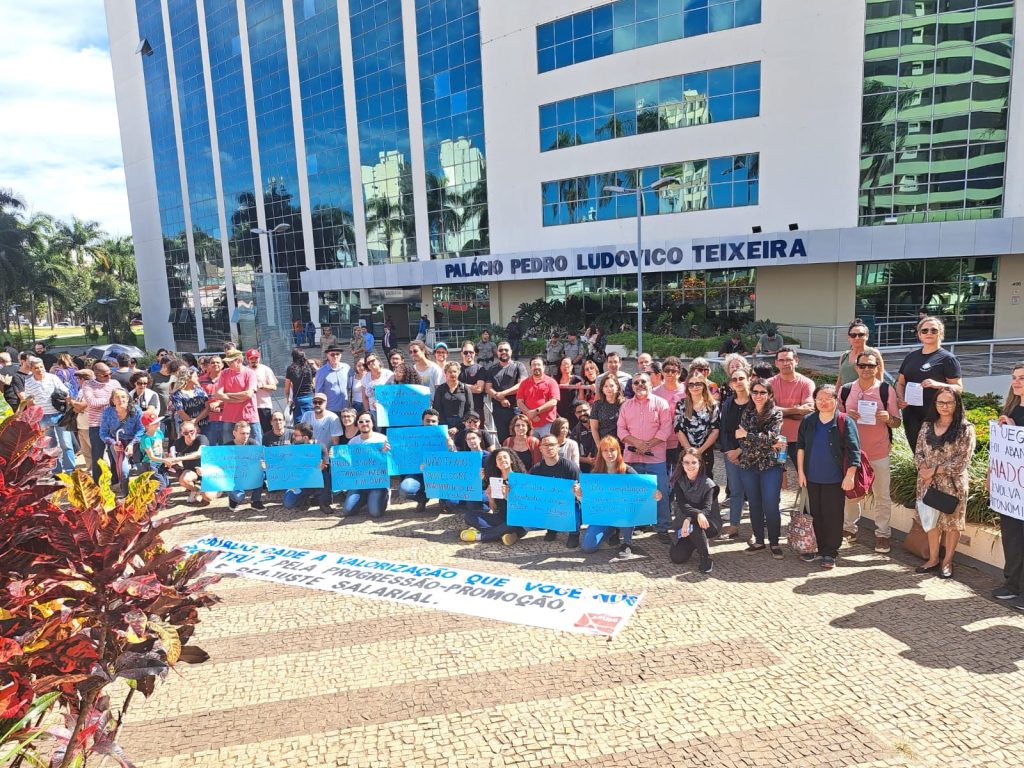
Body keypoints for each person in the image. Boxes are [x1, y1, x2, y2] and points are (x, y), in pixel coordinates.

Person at [838, 350, 901, 553]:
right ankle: (849, 529)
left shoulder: (886, 390)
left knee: (882, 495)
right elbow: (835, 418)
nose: (866, 369)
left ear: (877, 368)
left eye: (871, 366)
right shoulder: (846, 390)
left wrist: (887, 419)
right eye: (863, 365)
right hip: (854, 452)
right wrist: (847, 415)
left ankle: (882, 535)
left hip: (879, 451)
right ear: (856, 368)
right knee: (851, 493)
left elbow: (897, 422)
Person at [796, 384, 862, 569]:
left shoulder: (844, 421)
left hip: (835, 479)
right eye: (819, 399)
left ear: (836, 400)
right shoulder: (808, 420)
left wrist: (849, 476)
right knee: (812, 514)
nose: (823, 402)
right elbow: (800, 447)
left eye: (828, 398)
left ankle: (830, 552)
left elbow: (854, 451)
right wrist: (800, 472)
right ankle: (813, 546)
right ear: (814, 401)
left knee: (832, 516)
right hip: (811, 477)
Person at [913, 390, 975, 580]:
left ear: (957, 404)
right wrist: (923, 469)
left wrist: (934, 470)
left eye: (949, 402)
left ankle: (947, 561)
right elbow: (918, 451)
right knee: (932, 522)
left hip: (952, 484)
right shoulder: (927, 425)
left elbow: (962, 461)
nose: (944, 406)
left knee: (952, 524)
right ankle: (932, 559)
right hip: (927, 482)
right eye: (941, 402)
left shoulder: (966, 429)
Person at [580, 436, 660, 558]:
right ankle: (611, 530)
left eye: (612, 450)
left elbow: (644, 488)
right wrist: (579, 494)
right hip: (603, 515)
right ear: (601, 453)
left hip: (623, 512)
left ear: (618, 451)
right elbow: (589, 499)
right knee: (588, 547)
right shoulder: (595, 473)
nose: (609, 454)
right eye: (605, 451)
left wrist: (655, 494)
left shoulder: (627, 470)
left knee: (628, 508)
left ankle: (627, 543)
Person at [618, 372, 673, 541]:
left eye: (643, 382)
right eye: (636, 383)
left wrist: (648, 445)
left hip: (655, 457)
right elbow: (621, 430)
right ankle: (639, 524)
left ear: (650, 384)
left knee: (660, 492)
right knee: (635, 493)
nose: (640, 385)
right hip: (632, 458)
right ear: (632, 386)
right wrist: (637, 443)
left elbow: (666, 429)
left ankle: (662, 528)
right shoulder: (626, 406)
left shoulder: (661, 404)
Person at [896, 316, 962, 455]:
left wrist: (938, 385)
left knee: (935, 454)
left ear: (941, 334)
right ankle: (921, 476)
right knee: (917, 454)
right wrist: (900, 399)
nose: (929, 333)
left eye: (934, 330)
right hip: (911, 414)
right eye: (925, 331)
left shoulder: (948, 359)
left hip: (935, 415)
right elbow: (900, 383)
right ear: (919, 335)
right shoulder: (911, 357)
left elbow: (958, 388)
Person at [736, 378, 786, 559]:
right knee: (755, 504)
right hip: (748, 465)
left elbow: (774, 438)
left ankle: (774, 542)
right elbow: (740, 440)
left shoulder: (776, 413)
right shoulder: (747, 412)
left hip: (770, 466)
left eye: (762, 392)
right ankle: (758, 540)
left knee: (771, 504)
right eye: (755, 392)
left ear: (770, 394)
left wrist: (750, 436)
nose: (758, 395)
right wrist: (765, 440)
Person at [992, 363, 1024, 609]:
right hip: (1011, 486)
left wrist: (1016, 432)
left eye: (1022, 378)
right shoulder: (1011, 407)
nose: (1017, 382)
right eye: (1014, 378)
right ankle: (1012, 583)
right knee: (1011, 536)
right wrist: (992, 473)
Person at [459, 448, 528, 545]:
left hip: (517, 519)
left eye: (505, 457)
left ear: (511, 460)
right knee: (469, 516)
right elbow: (494, 508)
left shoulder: (521, 479)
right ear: (496, 464)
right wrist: (490, 497)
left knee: (513, 525)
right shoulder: (495, 481)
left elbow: (525, 507)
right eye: (499, 459)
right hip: (501, 518)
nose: (502, 460)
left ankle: (481, 536)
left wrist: (507, 498)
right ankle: (508, 534)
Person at [669, 448, 722, 573]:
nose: (690, 466)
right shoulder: (679, 482)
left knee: (694, 525)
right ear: (681, 464)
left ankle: (705, 556)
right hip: (686, 520)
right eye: (686, 462)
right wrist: (694, 515)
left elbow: (707, 509)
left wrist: (692, 518)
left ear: (700, 463)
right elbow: (682, 505)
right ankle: (697, 541)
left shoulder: (709, 484)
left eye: (694, 462)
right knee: (677, 557)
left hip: (708, 522)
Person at [768, 347, 814, 480]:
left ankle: (807, 501)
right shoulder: (769, 384)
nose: (785, 363)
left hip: (799, 439)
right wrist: (797, 410)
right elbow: (768, 411)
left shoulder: (807, 383)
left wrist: (779, 411)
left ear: (796, 361)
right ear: (776, 363)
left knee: (805, 474)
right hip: (775, 439)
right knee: (774, 478)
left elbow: (808, 411)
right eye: (781, 360)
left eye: (788, 359)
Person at [23, 356, 74, 474]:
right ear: (31, 369)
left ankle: (70, 470)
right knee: (50, 446)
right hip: (43, 417)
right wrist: (32, 417)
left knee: (66, 443)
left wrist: (60, 396)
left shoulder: (53, 378)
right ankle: (56, 471)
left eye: (41, 367)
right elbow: (29, 401)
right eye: (36, 368)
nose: (39, 369)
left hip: (59, 414)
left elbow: (65, 392)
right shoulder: (29, 382)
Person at [531, 433, 582, 548]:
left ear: (558, 446)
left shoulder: (570, 467)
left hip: (569, 503)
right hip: (548, 504)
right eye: (546, 445)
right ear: (540, 449)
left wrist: (577, 490)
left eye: (552, 444)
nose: (549, 448)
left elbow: (582, 489)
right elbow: (531, 491)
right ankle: (551, 528)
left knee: (574, 509)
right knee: (529, 523)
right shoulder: (536, 469)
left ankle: (574, 533)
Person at [718, 364, 751, 538]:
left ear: (749, 380)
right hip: (731, 455)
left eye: (741, 378)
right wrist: (731, 451)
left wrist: (740, 450)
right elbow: (724, 430)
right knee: (736, 491)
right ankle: (734, 525)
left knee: (754, 492)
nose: (738, 382)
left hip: (753, 454)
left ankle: (757, 530)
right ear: (730, 384)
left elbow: (757, 430)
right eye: (734, 379)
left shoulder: (756, 402)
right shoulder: (728, 403)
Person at [80, 361, 124, 481]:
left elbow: (123, 398)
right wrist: (112, 399)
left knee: (115, 454)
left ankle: (116, 481)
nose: (108, 377)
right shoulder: (88, 384)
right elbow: (92, 403)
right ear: (96, 374)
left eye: (110, 374)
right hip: (96, 425)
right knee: (98, 455)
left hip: (113, 424)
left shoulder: (115, 383)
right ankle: (97, 484)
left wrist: (115, 400)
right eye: (105, 375)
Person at [342, 413, 390, 519]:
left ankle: (384, 495)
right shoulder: (352, 442)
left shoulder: (382, 439)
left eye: (367, 421)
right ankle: (365, 498)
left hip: (377, 482)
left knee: (375, 513)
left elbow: (391, 463)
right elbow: (348, 463)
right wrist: (336, 456)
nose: (364, 424)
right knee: (347, 511)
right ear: (357, 424)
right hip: (360, 483)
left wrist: (386, 453)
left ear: (372, 423)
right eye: (361, 421)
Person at [398, 409, 444, 514]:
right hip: (417, 474)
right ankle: (422, 499)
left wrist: (451, 446)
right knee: (405, 489)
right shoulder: (412, 437)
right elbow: (401, 452)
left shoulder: (445, 436)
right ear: (422, 421)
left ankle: (444, 500)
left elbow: (455, 460)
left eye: (433, 421)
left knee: (451, 487)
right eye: (427, 421)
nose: (430, 424)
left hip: (439, 475)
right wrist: (390, 447)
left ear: (438, 423)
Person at [674, 375, 720, 478]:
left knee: (705, 482)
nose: (694, 387)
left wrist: (700, 451)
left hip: (705, 451)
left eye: (698, 384)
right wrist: (689, 451)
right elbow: (678, 429)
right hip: (684, 451)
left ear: (704, 386)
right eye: (691, 384)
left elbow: (715, 430)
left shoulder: (712, 405)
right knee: (684, 482)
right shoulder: (681, 404)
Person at [282, 422, 333, 512]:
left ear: (305, 437)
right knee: (288, 503)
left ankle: (324, 502)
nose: (293, 437)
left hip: (317, 477)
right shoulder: (294, 447)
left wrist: (322, 466)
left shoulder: (320, 446)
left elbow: (325, 465)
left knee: (324, 475)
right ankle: (305, 499)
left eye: (296, 435)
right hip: (300, 479)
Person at [99, 388, 143, 492]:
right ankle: (125, 493)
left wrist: (132, 444)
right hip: (117, 443)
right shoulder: (108, 412)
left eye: (123, 396)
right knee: (123, 471)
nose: (120, 399)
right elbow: (103, 433)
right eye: (117, 397)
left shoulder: (136, 410)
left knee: (142, 468)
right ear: (113, 400)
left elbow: (141, 429)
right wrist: (113, 443)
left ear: (128, 398)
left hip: (135, 442)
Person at [215, 349, 261, 444]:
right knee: (229, 451)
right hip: (229, 417)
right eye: (227, 361)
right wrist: (240, 397)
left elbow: (248, 394)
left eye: (231, 361)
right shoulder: (224, 373)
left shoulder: (250, 373)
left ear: (239, 360)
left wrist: (227, 395)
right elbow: (218, 395)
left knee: (256, 449)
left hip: (249, 418)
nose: (228, 363)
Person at [165, 419, 213, 504]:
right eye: (186, 433)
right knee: (183, 480)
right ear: (182, 434)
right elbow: (172, 455)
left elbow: (199, 454)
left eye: (192, 431)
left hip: (207, 471)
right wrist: (170, 460)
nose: (189, 434)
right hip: (191, 470)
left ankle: (215, 488)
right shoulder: (178, 443)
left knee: (208, 498)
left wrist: (180, 459)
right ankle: (196, 490)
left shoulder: (202, 438)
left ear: (196, 430)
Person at [487, 341, 527, 443]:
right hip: (498, 410)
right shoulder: (491, 369)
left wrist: (503, 394)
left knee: (518, 438)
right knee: (503, 440)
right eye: (501, 350)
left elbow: (521, 385)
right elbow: (488, 388)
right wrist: (500, 398)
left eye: (506, 350)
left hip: (515, 409)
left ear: (511, 351)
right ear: (497, 353)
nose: (503, 352)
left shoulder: (519, 366)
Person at [517, 355, 559, 438]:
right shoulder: (524, 383)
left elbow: (553, 401)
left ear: (544, 367)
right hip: (528, 424)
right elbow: (519, 402)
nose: (536, 367)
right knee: (531, 448)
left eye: (539, 365)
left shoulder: (551, 382)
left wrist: (536, 412)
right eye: (533, 365)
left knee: (547, 447)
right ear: (530, 368)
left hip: (547, 423)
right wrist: (530, 414)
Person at [226, 421, 265, 510]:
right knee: (240, 497)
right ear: (234, 433)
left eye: (247, 433)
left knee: (260, 472)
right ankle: (233, 499)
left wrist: (262, 463)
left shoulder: (253, 444)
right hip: (233, 478)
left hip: (248, 474)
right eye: (242, 433)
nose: (246, 436)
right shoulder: (226, 447)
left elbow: (260, 459)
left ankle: (256, 501)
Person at [837, 319, 885, 388]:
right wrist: (835, 395)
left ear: (867, 336)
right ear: (849, 338)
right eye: (853, 335)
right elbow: (840, 380)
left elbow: (880, 379)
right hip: (845, 396)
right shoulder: (844, 356)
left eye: (861, 335)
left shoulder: (874, 353)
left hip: (865, 397)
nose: (857, 338)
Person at [315, 345, 355, 417]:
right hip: (330, 409)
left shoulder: (346, 367)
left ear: (341, 355)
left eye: (337, 354)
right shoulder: (321, 372)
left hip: (345, 408)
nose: (335, 356)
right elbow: (318, 392)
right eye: (332, 354)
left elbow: (354, 381)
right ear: (328, 356)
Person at [246, 348, 278, 434]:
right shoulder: (244, 370)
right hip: (248, 406)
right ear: (247, 359)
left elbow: (274, 386)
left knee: (266, 430)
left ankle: (267, 447)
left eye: (256, 358)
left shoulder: (266, 369)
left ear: (259, 358)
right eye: (251, 358)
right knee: (251, 432)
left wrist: (262, 386)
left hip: (263, 405)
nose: (254, 360)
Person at [433, 360, 472, 430]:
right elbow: (437, 409)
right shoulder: (440, 389)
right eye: (450, 372)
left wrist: (458, 428)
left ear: (459, 373)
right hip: (444, 426)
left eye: (455, 371)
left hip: (462, 426)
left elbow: (469, 410)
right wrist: (445, 427)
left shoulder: (465, 389)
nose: (452, 374)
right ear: (445, 373)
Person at [170, 367, 209, 438]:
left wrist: (195, 421)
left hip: (204, 425)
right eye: (195, 376)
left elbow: (207, 408)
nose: (198, 378)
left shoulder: (200, 390)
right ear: (188, 378)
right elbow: (181, 412)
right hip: (186, 427)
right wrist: (193, 425)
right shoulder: (177, 394)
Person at [137, 410, 170, 489]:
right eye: (155, 423)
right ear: (147, 426)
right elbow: (151, 457)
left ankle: (161, 499)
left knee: (167, 483)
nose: (158, 424)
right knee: (161, 485)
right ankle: (156, 499)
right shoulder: (146, 439)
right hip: (150, 464)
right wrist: (164, 460)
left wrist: (165, 457)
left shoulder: (159, 433)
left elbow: (161, 447)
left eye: (158, 422)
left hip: (160, 462)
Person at [591, 374, 625, 447]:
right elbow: (594, 428)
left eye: (611, 386)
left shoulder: (625, 404)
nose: (609, 389)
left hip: (622, 445)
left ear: (617, 387)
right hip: (604, 445)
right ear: (602, 389)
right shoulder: (597, 405)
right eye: (606, 386)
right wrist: (599, 445)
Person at [458, 342, 490, 417]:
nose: (468, 354)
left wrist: (459, 385)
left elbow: (478, 389)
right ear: (462, 354)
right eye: (466, 352)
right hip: (460, 409)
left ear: (474, 353)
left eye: (471, 352)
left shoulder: (480, 369)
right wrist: (472, 387)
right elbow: (452, 386)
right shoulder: (457, 368)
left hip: (477, 409)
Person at [199, 355, 225, 446]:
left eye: (218, 362)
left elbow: (232, 396)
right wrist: (209, 407)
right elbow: (198, 398)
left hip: (224, 418)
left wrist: (219, 404)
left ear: (222, 365)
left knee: (225, 448)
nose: (215, 364)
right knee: (209, 448)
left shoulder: (227, 378)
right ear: (208, 365)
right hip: (207, 419)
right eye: (212, 362)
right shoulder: (200, 380)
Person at [72, 368, 95, 470]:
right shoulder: (81, 390)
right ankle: (90, 469)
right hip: (81, 424)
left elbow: (81, 406)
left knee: (95, 450)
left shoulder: (93, 391)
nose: (78, 381)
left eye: (79, 379)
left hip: (90, 424)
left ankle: (100, 471)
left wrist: (70, 401)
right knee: (85, 451)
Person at [285, 348, 316, 422]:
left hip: (298, 399)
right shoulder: (309, 367)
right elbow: (315, 382)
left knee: (299, 423)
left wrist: (288, 400)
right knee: (311, 421)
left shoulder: (291, 369)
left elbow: (287, 388)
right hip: (309, 398)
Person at [361, 353, 394, 417]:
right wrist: (368, 412)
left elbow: (394, 392)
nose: (370, 363)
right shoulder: (365, 377)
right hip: (373, 411)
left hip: (387, 409)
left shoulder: (388, 374)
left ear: (378, 361)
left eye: (372, 361)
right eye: (368, 363)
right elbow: (364, 397)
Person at [571, 401, 598, 473]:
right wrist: (586, 460)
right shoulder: (575, 432)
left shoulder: (601, 424)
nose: (582, 413)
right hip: (586, 467)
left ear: (591, 409)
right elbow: (571, 454)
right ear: (575, 414)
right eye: (579, 412)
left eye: (585, 410)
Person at [555, 357, 580, 425]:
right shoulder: (555, 380)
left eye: (567, 364)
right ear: (560, 366)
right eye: (563, 364)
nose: (565, 366)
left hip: (573, 413)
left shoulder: (577, 379)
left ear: (571, 367)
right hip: (558, 412)